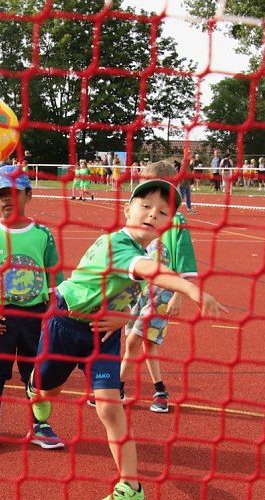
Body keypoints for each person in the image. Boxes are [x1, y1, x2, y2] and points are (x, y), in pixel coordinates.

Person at [25, 178, 227, 500]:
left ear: (168, 224)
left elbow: (129, 288)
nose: (152, 215)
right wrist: (192, 291)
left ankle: (131, 488)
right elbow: (148, 271)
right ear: (126, 209)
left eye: (162, 212)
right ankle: (37, 390)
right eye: (145, 205)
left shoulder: (142, 251)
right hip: (64, 323)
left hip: (102, 334)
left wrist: (121, 318)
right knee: (46, 390)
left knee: (110, 408)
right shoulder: (117, 245)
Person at [86, 160, 197, 414]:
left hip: (162, 291)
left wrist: (178, 295)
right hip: (138, 289)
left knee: (136, 340)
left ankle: (117, 387)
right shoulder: (140, 213)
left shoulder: (175, 220)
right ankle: (160, 391)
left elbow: (183, 260)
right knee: (144, 343)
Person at [0, 165, 65, 451]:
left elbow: (53, 284)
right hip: (1, 318)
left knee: (35, 374)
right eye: (0, 194)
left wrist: (51, 317)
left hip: (35, 318)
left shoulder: (43, 235)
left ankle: (40, 425)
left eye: (14, 193)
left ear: (28, 194)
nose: (8, 200)